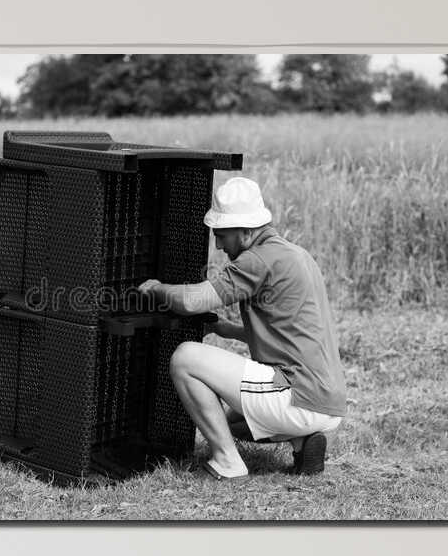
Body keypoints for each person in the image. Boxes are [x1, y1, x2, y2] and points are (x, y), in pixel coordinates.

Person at [138, 177, 347, 480]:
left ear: (247, 232)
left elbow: (193, 302)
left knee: (184, 358)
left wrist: (157, 288)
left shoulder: (256, 261)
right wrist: (225, 329)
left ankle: (227, 462)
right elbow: (286, 330)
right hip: (329, 403)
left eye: (222, 235)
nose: (219, 245)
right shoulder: (296, 255)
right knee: (230, 423)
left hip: (297, 394)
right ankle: (303, 441)